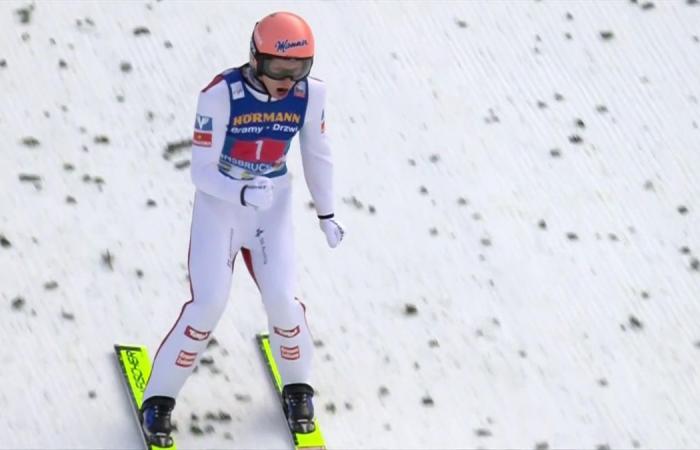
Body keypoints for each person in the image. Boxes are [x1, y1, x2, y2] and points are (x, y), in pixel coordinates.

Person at [138, 11, 344, 447]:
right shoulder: (220, 95)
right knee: (208, 304)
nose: (287, 81)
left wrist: (326, 214)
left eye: (299, 70)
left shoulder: (312, 95)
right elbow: (200, 170)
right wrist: (240, 192)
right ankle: (159, 399)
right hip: (221, 211)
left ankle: (298, 388)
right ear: (255, 59)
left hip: (272, 209)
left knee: (285, 303)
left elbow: (317, 153)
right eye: (278, 69)